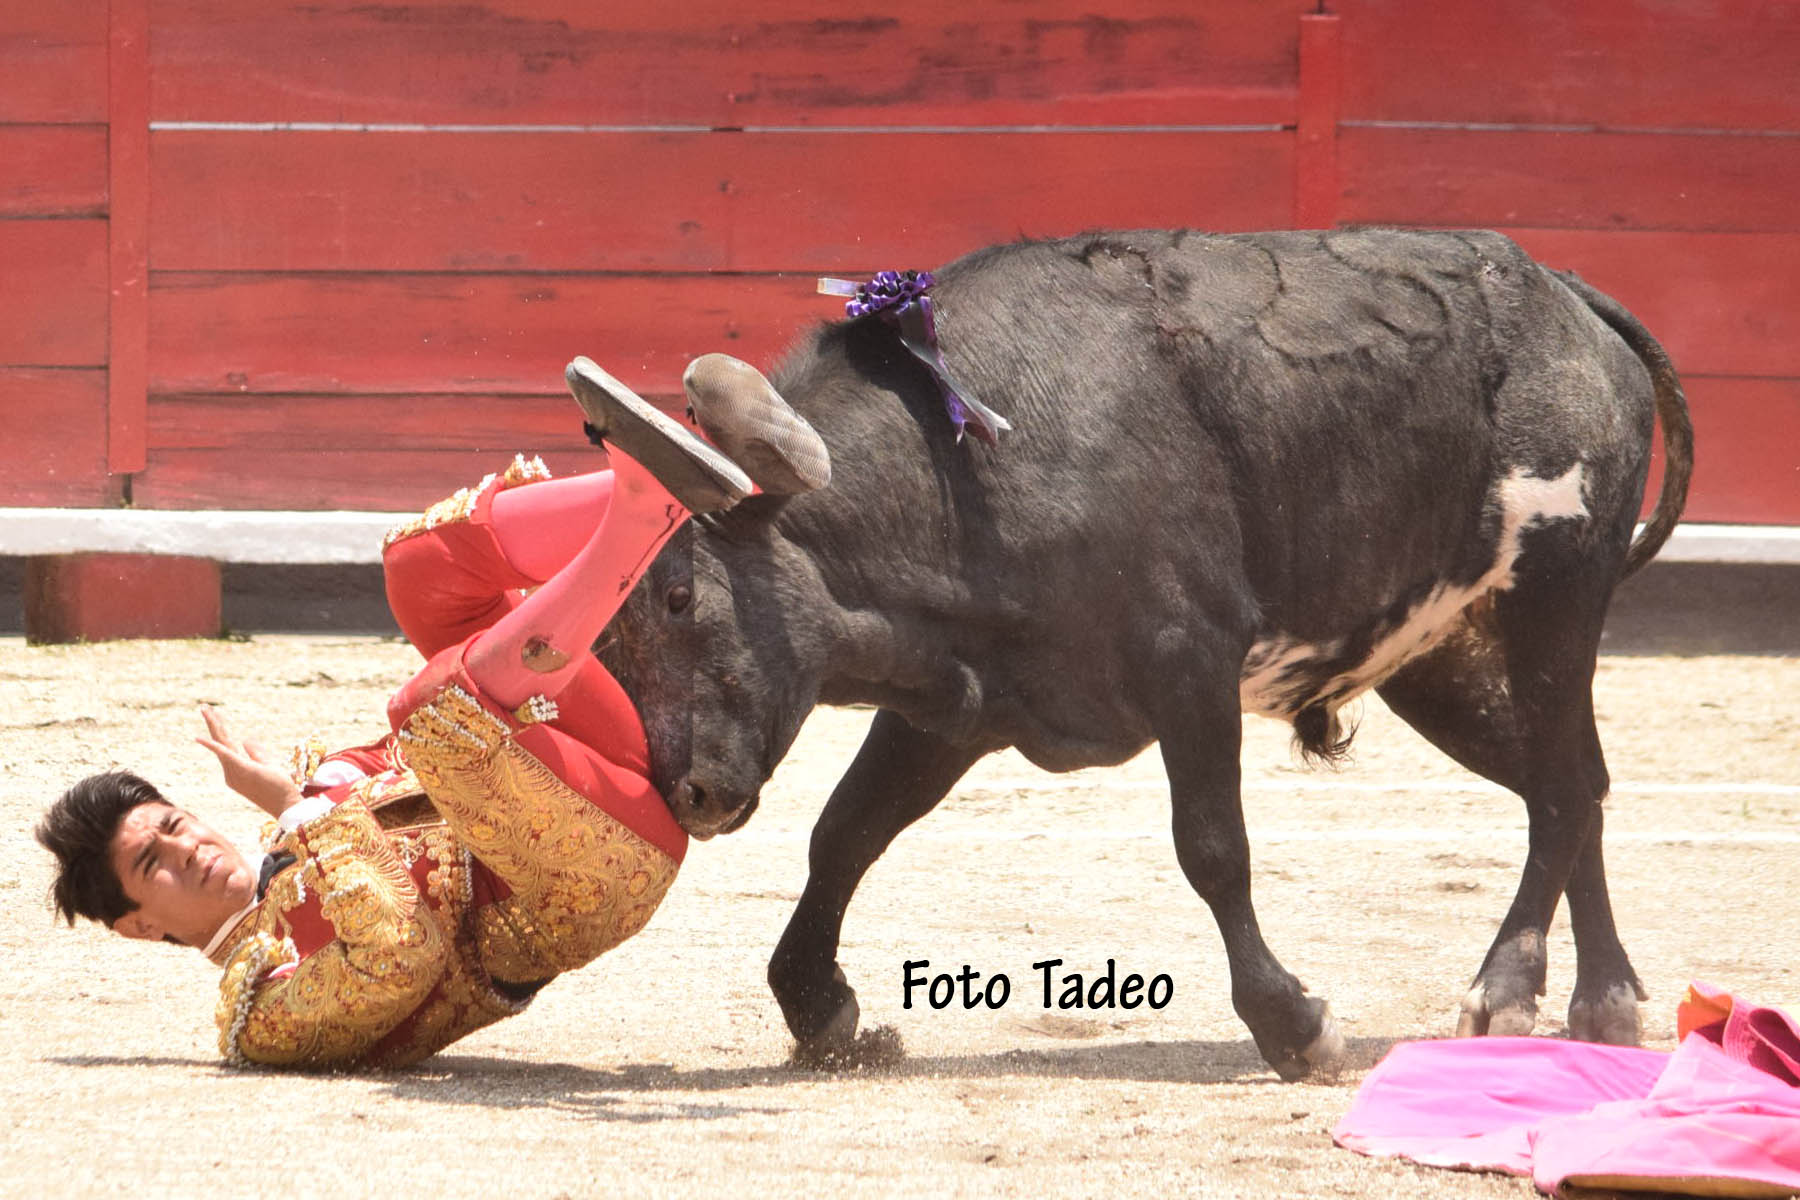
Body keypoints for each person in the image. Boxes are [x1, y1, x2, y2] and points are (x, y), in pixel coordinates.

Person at [34, 354, 829, 1069]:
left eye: (172, 827)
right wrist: (305, 810)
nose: (189, 849)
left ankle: (712, 482)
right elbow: (398, 953)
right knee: (430, 709)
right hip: (588, 882)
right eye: (155, 868)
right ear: (140, 926)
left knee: (420, 569)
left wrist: (298, 802)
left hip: (593, 762)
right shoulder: (262, 1012)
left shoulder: (308, 813)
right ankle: (646, 509)